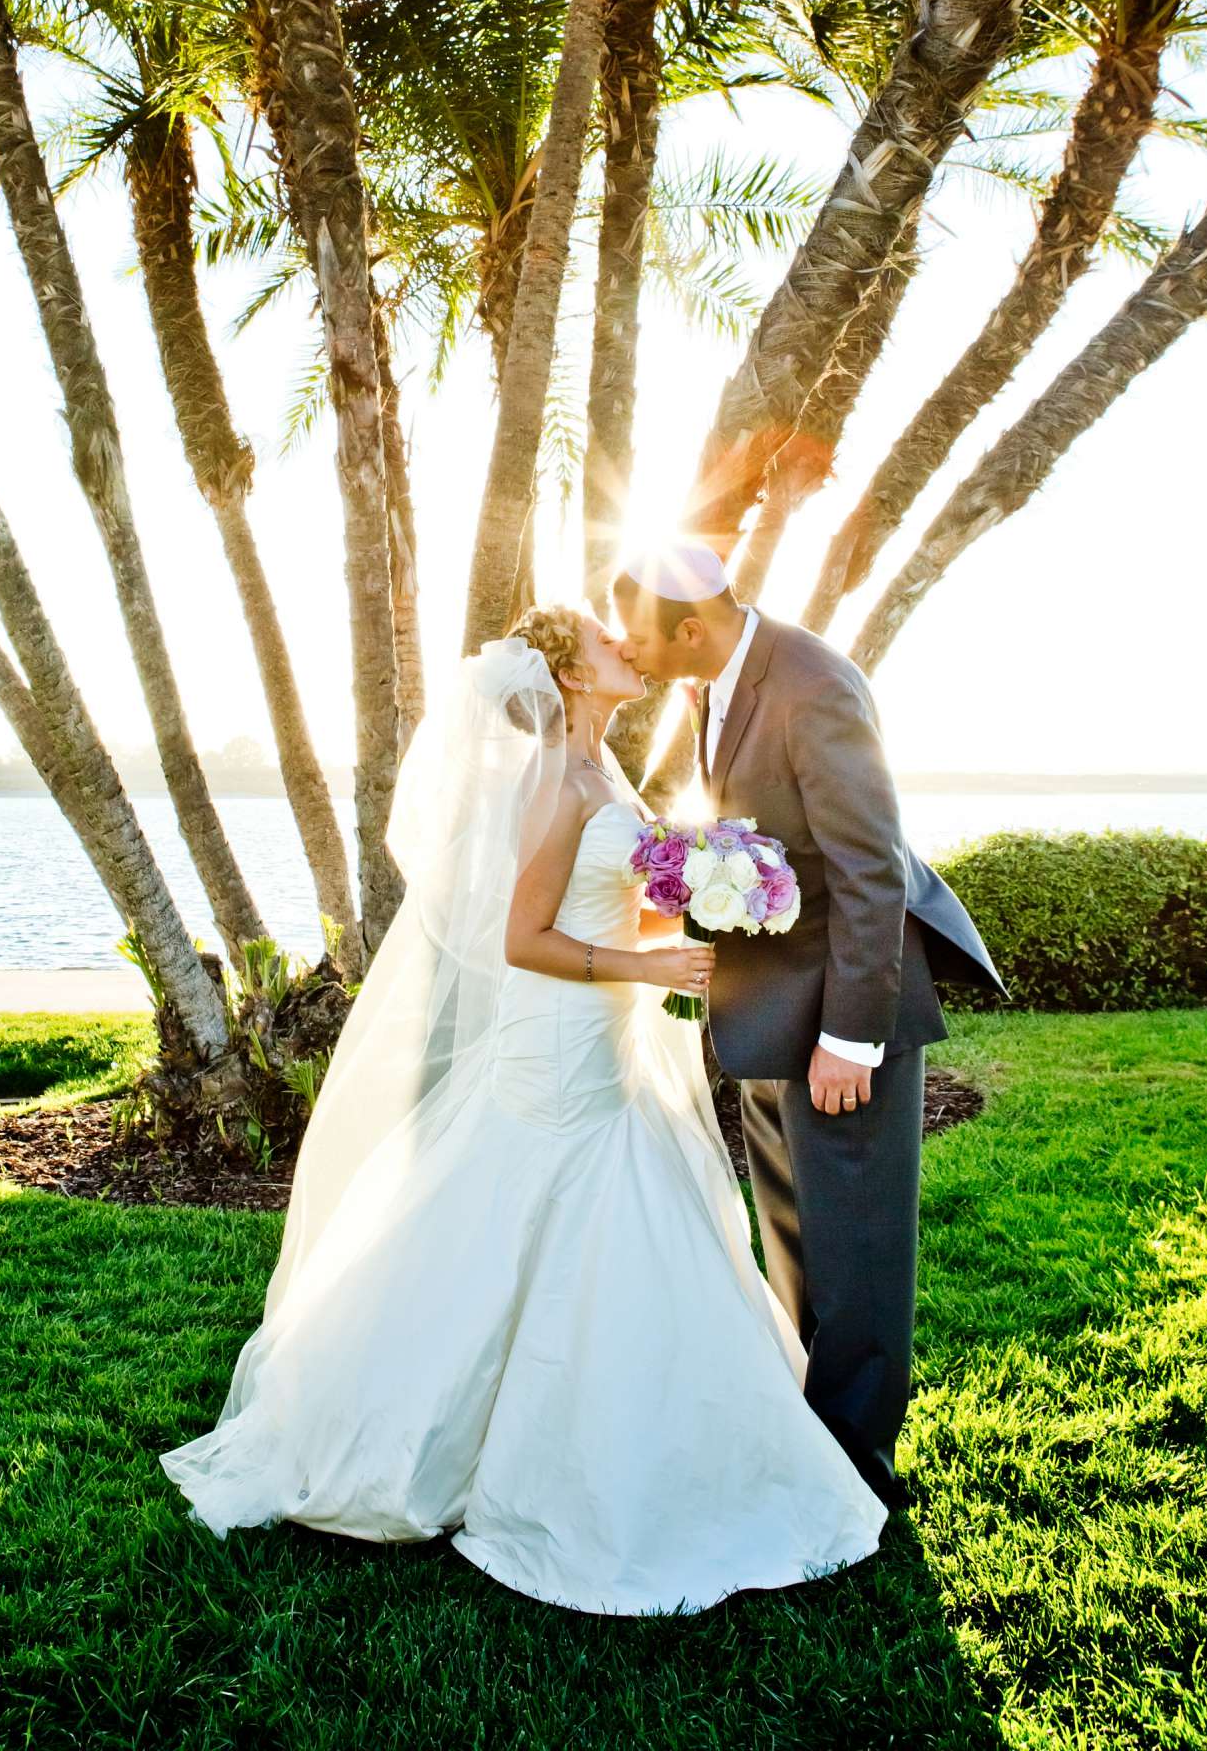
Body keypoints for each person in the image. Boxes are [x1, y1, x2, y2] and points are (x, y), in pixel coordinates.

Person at [160, 607, 886, 1616]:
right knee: (529, 1207)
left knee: (599, 1212)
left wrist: (706, 887)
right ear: (564, 675)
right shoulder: (553, 782)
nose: (625, 648)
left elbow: (613, 895)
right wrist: (644, 962)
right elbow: (522, 937)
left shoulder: (604, 773)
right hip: (556, 1042)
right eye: (602, 644)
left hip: (607, 1037)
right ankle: (429, 1434)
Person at [613, 540, 1004, 1507]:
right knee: (794, 1227)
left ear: (692, 627)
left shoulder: (813, 681)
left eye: (641, 636)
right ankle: (813, 1428)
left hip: (842, 1004)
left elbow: (871, 867)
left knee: (859, 1241)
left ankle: (859, 1469)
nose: (634, 652)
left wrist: (851, 1038)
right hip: (770, 998)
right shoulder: (711, 682)